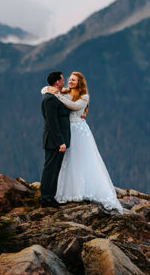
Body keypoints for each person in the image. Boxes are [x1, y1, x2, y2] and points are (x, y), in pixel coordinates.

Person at [41, 71, 123, 213]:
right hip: (66, 132)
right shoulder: (63, 93)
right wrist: (47, 89)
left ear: (80, 82)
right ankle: (59, 193)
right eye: (69, 79)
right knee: (66, 162)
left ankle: (81, 189)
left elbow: (74, 106)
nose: (70, 82)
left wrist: (57, 94)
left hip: (78, 130)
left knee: (81, 159)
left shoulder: (83, 97)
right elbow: (46, 91)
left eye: (74, 80)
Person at [40, 71, 70, 208]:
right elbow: (52, 122)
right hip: (53, 141)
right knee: (50, 169)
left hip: (55, 141)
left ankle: (50, 197)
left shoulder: (54, 96)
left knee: (55, 169)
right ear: (57, 82)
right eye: (62, 80)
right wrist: (60, 142)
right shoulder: (50, 99)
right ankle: (46, 198)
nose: (64, 82)